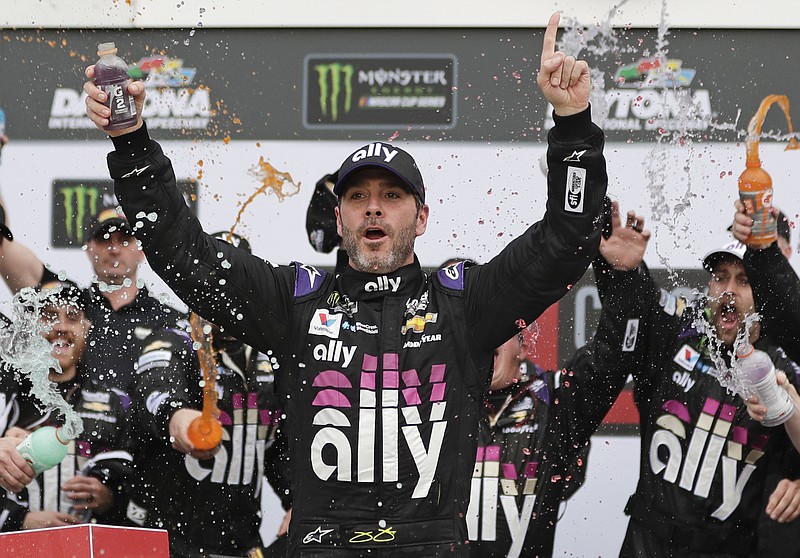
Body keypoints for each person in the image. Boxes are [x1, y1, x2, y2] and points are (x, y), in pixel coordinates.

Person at [84, 12, 607, 556]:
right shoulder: (297, 303)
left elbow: (566, 242)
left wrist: (572, 125)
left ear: (421, 217)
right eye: (357, 197)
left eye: (392, 195)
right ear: (339, 220)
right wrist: (131, 142)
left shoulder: (462, 304)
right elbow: (185, 255)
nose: (374, 207)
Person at [596, 200, 800, 557]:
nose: (729, 292)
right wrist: (624, 272)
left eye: (743, 281)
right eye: (720, 278)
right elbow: (634, 307)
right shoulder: (679, 331)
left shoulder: (783, 367)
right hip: (646, 544)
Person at [125, 232, 288, 558]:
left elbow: (279, 448)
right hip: (167, 545)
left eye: (237, 278)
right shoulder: (175, 340)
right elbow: (156, 388)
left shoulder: (267, 359)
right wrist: (178, 418)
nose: (227, 289)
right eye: (216, 277)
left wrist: (299, 504)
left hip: (241, 546)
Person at [0, 204, 182, 394]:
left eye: (125, 240)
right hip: (76, 420)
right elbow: (4, 245)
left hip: (142, 423)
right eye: (104, 239)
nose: (114, 249)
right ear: (89, 249)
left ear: (142, 250)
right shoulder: (71, 307)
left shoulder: (168, 319)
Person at [0, 280, 132, 531]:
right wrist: (18, 519)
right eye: (49, 316)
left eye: (72, 317)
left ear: (86, 328)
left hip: (90, 547)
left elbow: (139, 484)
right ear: (31, 328)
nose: (61, 327)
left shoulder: (116, 403)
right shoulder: (7, 395)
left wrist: (109, 498)